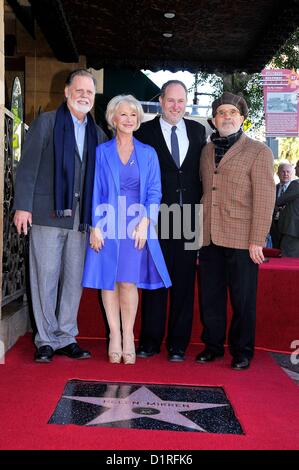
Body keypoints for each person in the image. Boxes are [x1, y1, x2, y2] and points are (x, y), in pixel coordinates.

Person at [13, 69, 107, 363]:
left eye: (89, 92)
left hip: (81, 220)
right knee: (45, 277)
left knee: (72, 280)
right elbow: (27, 166)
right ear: (66, 92)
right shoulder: (47, 122)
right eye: (78, 90)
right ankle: (45, 339)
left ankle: (66, 336)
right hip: (46, 214)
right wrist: (23, 206)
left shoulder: (98, 133)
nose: (84, 96)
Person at [82, 95, 171, 365]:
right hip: (107, 222)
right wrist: (94, 226)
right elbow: (94, 190)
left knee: (128, 281)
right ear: (113, 119)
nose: (129, 119)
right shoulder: (101, 152)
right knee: (109, 280)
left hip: (135, 225)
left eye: (133, 115)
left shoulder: (148, 153)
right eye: (123, 114)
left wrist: (146, 222)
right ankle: (114, 337)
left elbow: (155, 192)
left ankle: (129, 335)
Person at [197, 92, 275, 370]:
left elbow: (266, 197)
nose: (226, 117)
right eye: (221, 113)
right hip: (208, 236)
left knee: (243, 299)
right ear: (214, 118)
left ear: (242, 119)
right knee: (210, 296)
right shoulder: (206, 150)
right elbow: (206, 193)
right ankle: (213, 346)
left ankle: (242, 351)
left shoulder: (259, 151)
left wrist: (257, 239)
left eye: (232, 113)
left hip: (243, 238)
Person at [134, 80, 206, 362]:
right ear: (161, 101)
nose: (176, 106)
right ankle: (150, 341)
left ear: (185, 103)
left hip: (188, 217)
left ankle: (178, 344)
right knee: (155, 281)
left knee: (184, 283)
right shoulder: (144, 131)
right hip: (156, 216)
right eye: (171, 100)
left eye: (181, 101)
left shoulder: (199, 131)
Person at [276, 160, 299, 257]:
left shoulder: (296, 184)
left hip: (292, 230)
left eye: (297, 166)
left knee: (288, 260)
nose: (295, 168)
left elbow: (280, 201)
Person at [270, 162, 294, 248]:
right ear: (278, 173)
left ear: (291, 174)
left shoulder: (294, 189)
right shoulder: (273, 188)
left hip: (288, 227)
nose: (285, 174)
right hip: (274, 226)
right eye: (283, 172)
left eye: (288, 172)